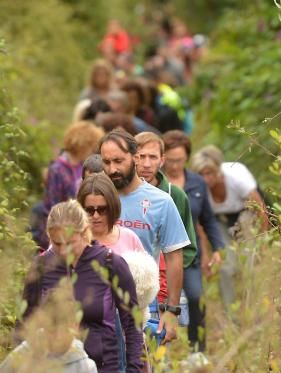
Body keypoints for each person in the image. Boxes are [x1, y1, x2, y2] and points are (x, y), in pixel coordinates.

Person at [20, 200, 144, 373]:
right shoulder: (41, 267)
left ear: (85, 232)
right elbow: (25, 323)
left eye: (71, 242)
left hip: (102, 372)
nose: (64, 251)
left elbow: (132, 321)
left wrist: (133, 371)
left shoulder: (110, 263)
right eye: (58, 244)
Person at [75, 174, 157, 373]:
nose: (96, 215)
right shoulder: (70, 245)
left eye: (102, 209)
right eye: (90, 210)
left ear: (112, 207)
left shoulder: (128, 238)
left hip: (125, 338)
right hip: (83, 342)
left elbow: (145, 287)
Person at [98, 130, 189, 342]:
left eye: (119, 161)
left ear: (135, 158)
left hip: (146, 303)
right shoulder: (94, 199)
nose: (112, 169)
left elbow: (175, 256)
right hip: (98, 302)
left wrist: (172, 311)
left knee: (144, 371)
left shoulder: (161, 201)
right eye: (107, 162)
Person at [161, 130, 226, 351]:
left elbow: (208, 219)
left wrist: (218, 248)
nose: (175, 165)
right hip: (160, 252)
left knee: (197, 297)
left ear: (187, 158)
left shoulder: (197, 183)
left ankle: (197, 349)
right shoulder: (156, 182)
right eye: (170, 160)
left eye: (179, 160)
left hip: (189, 253)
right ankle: (159, 346)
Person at [191, 146, 271, 313]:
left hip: (247, 214)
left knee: (251, 262)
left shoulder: (236, 177)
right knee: (226, 265)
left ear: (218, 171)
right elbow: (201, 223)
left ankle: (254, 308)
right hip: (218, 221)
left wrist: (263, 243)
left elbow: (261, 209)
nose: (206, 179)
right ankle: (231, 314)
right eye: (201, 174)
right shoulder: (197, 187)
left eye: (209, 173)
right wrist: (205, 254)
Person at [30, 121, 104, 249]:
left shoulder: (81, 166)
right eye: (91, 146)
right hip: (61, 224)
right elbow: (54, 203)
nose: (93, 151)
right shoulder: (57, 169)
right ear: (83, 145)